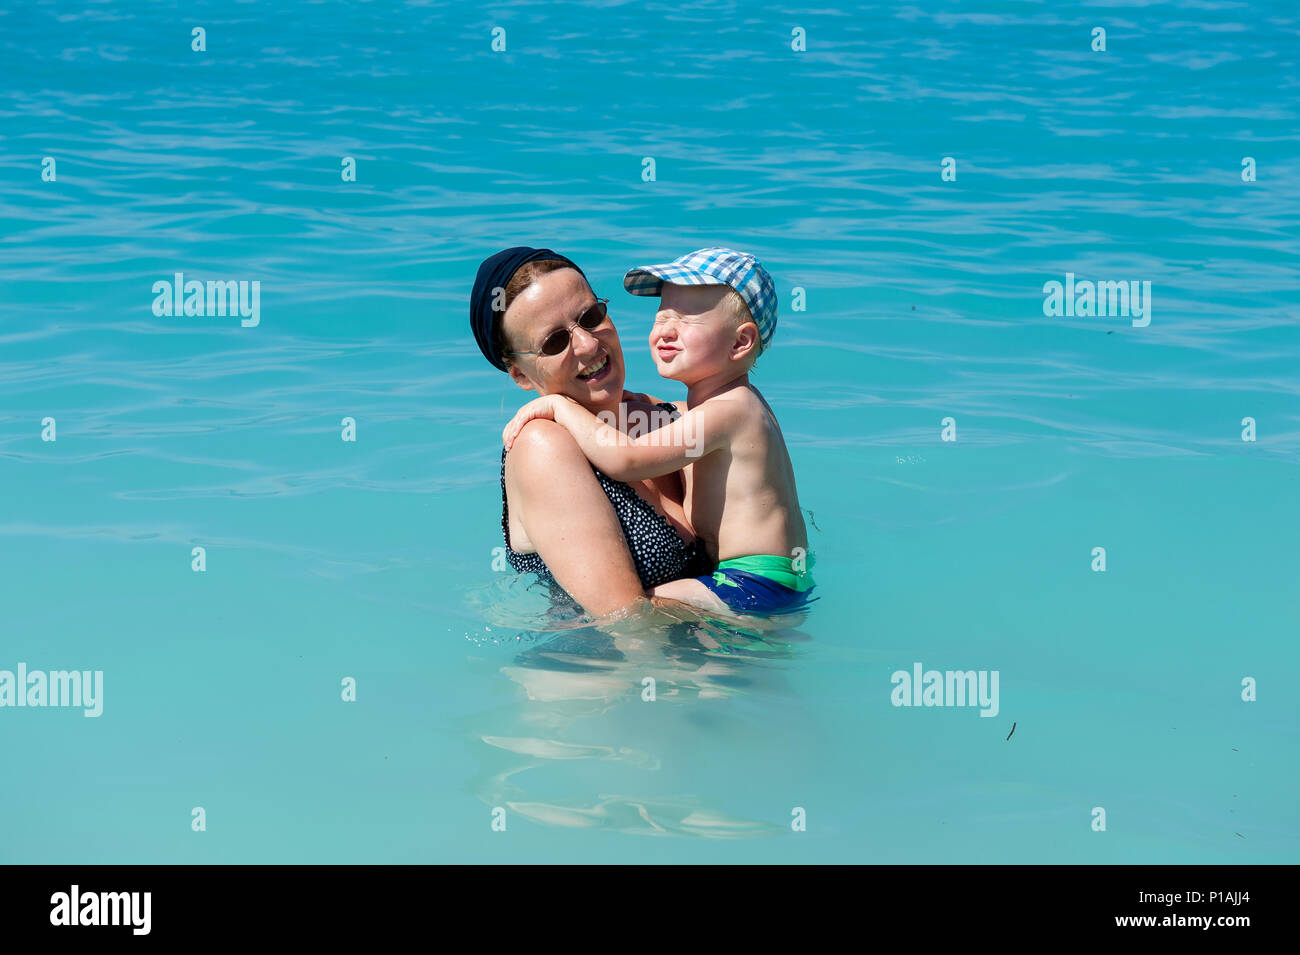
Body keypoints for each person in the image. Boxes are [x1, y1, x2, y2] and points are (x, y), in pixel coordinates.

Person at [502, 248, 815, 617]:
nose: (665, 330)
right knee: (634, 612)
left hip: (755, 584)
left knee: (641, 607)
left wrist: (562, 407)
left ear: (739, 343)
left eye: (591, 317)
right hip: (769, 582)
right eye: (661, 316)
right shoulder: (717, 410)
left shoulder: (728, 411)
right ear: (520, 375)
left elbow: (626, 458)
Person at [470, 246, 713, 619]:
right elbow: (627, 621)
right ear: (520, 374)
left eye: (591, 315)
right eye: (554, 342)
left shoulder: (664, 416)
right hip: (601, 670)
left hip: (705, 661)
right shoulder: (543, 447)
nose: (587, 344)